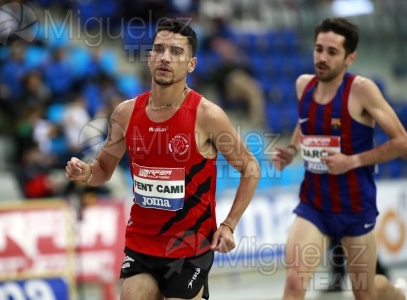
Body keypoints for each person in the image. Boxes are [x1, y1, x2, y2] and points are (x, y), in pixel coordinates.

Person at [65, 18, 261, 300]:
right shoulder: (125, 113)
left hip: (190, 248)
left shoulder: (207, 115)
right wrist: (85, 173)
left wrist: (229, 224)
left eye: (177, 52)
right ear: (149, 58)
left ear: (191, 64)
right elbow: (103, 170)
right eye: (159, 49)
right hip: (142, 243)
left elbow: (250, 168)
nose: (166, 58)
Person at [272, 18, 407, 300]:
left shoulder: (362, 90)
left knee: (365, 293)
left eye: (332, 52)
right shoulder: (303, 86)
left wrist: (352, 161)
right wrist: (293, 150)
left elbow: (402, 143)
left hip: (355, 208)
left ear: (350, 58)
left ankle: (396, 292)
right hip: (314, 205)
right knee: (294, 284)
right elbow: (305, 122)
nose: (322, 58)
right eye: (318, 49)